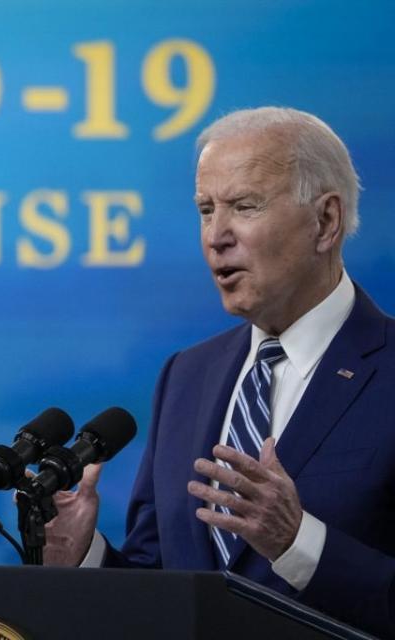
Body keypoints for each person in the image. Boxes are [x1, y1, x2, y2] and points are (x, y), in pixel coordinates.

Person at [44, 107, 395, 638]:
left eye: (245, 207)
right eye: (206, 210)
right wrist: (85, 554)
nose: (216, 236)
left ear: (326, 222)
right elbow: (160, 587)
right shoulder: (186, 375)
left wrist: (297, 542)